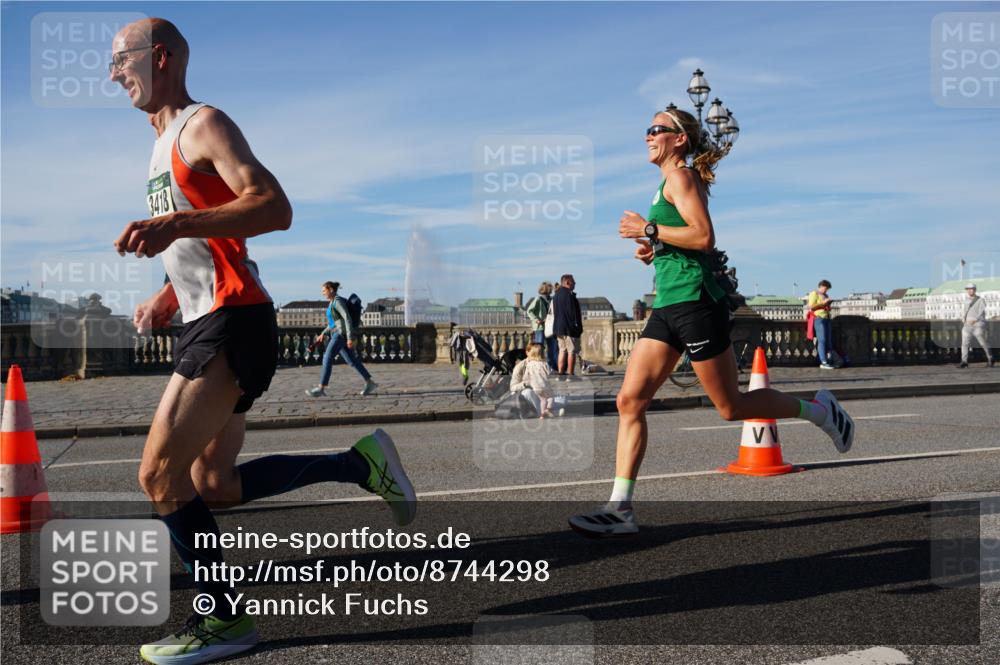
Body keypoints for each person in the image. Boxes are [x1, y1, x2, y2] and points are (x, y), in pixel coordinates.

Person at [109, 19, 415, 664]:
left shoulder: (203, 125)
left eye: (120, 59)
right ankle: (358, 464)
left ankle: (224, 622)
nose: (113, 73)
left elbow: (273, 207)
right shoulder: (160, 140)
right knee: (213, 484)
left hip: (233, 321)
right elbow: (212, 242)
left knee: (159, 475)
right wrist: (168, 293)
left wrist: (175, 222)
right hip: (210, 316)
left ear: (159, 57)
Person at [568, 106, 855, 538]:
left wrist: (649, 232)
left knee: (730, 407)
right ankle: (620, 508)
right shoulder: (666, 183)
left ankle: (818, 410)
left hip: (697, 304)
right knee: (630, 401)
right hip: (668, 305)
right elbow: (682, 241)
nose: (647, 136)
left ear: (679, 139)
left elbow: (704, 237)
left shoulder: (681, 177)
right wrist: (653, 248)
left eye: (655, 130)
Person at [306, 281, 377, 397]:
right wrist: (323, 333)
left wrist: (349, 337)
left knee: (327, 357)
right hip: (338, 332)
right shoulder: (332, 303)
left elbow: (347, 318)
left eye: (324, 290)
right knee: (352, 360)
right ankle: (370, 383)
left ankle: (321, 388)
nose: (322, 293)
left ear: (331, 290)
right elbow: (334, 323)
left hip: (340, 334)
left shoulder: (337, 301)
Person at [510, 342, 555, 417]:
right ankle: (542, 412)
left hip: (540, 390)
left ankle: (546, 411)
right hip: (527, 392)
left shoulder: (543, 363)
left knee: (559, 398)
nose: (541, 355)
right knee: (529, 392)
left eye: (541, 353)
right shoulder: (520, 367)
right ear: (527, 352)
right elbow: (512, 387)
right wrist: (525, 383)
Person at [552, 274, 583, 379]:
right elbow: (573, 314)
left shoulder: (556, 295)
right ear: (567, 282)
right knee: (571, 351)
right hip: (569, 329)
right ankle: (570, 374)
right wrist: (577, 328)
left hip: (558, 328)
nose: (575, 283)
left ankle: (561, 373)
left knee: (562, 350)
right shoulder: (569, 296)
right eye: (573, 282)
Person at [959, 282, 994, 368]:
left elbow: (981, 312)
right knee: (964, 344)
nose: (970, 290)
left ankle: (990, 358)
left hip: (978, 324)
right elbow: (964, 311)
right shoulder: (965, 300)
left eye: (971, 289)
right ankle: (964, 361)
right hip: (967, 325)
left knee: (983, 343)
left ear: (975, 290)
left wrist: (974, 320)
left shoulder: (980, 300)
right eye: (968, 289)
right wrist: (963, 318)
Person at [808, 280, 835, 369]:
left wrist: (828, 305)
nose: (826, 291)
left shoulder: (826, 295)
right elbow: (811, 307)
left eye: (827, 289)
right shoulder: (814, 293)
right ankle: (823, 361)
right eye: (826, 288)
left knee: (829, 341)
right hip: (819, 318)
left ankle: (828, 360)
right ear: (821, 286)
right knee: (822, 340)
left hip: (827, 318)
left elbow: (826, 308)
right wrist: (822, 303)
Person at [546, 281, 561, 370]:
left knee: (551, 348)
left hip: (550, 328)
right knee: (555, 348)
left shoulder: (552, 299)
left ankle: (551, 365)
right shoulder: (556, 299)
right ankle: (554, 366)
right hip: (554, 327)